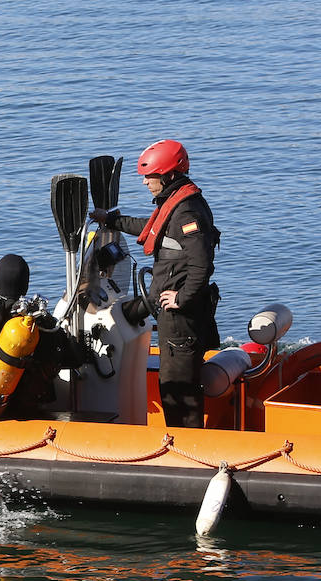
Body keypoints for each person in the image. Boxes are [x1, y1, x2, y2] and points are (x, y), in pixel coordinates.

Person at [90, 139, 220, 428]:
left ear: (169, 175)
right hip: (173, 312)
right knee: (174, 387)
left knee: (178, 391)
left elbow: (202, 264)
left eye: (151, 176)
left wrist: (181, 297)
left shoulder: (187, 213)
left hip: (180, 318)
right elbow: (151, 229)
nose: (146, 182)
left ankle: (186, 453)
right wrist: (112, 220)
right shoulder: (177, 202)